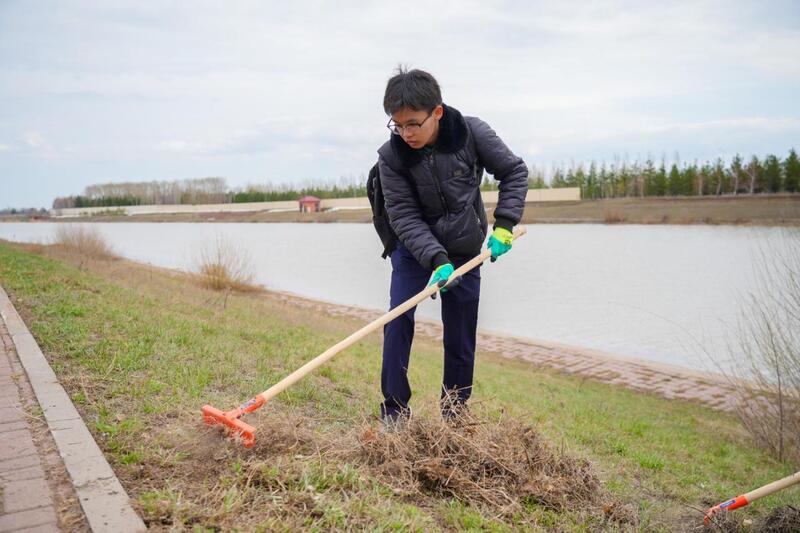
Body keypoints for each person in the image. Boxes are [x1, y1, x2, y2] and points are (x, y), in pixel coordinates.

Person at [377, 67, 528, 426]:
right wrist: (435, 259)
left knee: (460, 332)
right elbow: (403, 215)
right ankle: (395, 411)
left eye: (413, 123)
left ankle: (455, 413)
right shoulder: (391, 156)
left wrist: (505, 225)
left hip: (464, 248)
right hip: (413, 250)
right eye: (397, 125)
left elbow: (514, 172)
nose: (406, 133)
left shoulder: (471, 133)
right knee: (397, 320)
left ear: (437, 112)